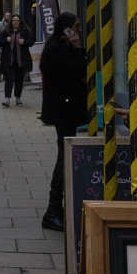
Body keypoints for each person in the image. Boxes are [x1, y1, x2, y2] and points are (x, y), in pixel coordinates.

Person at [38, 13, 87, 232]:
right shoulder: (57, 49)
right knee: (64, 158)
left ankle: (56, 208)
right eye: (76, 27)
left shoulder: (58, 46)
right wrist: (77, 48)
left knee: (65, 156)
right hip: (63, 111)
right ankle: (52, 210)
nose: (79, 31)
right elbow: (77, 69)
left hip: (66, 110)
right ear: (66, 29)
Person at [0, 12, 32, 106]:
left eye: (17, 20)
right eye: (14, 20)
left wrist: (24, 41)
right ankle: (7, 99)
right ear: (11, 21)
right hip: (9, 61)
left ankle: (18, 98)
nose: (15, 22)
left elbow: (31, 42)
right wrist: (6, 40)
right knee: (9, 80)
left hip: (21, 61)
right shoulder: (6, 31)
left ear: (20, 22)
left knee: (19, 80)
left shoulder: (25, 31)